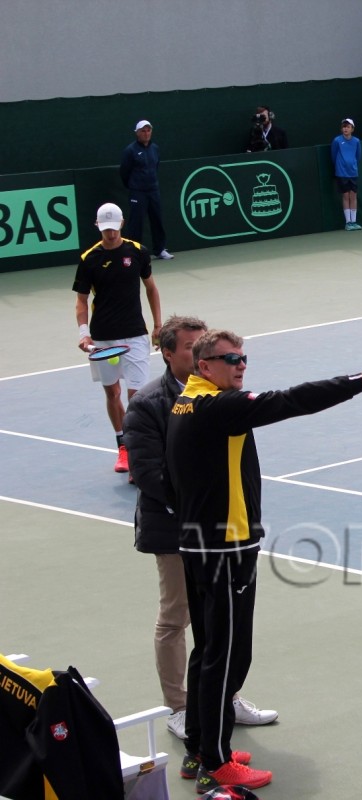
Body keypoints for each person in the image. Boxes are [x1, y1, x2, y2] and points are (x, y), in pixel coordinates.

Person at [164, 329, 362, 792]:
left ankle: (199, 749)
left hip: (198, 545)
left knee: (207, 650)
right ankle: (215, 762)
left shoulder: (184, 404)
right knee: (227, 655)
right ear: (204, 366)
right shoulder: (219, 407)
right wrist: (360, 382)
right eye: (230, 359)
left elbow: (167, 477)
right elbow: (292, 400)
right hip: (226, 549)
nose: (240, 365)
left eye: (243, 358)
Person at [122, 315, 278, 749]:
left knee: (218, 631)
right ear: (168, 353)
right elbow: (148, 473)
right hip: (178, 530)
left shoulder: (219, 394)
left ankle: (221, 701)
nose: (196, 353)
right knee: (178, 618)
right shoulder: (148, 403)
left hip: (216, 531)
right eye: (190, 347)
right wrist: (196, 509)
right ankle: (181, 708)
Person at [73, 202, 163, 474]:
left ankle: (138, 449)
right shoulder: (89, 259)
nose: (110, 234)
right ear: (97, 227)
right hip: (103, 338)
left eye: (114, 228)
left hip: (135, 334)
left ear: (121, 224)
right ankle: (123, 447)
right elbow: (81, 301)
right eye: (105, 229)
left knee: (136, 396)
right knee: (112, 392)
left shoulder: (138, 252)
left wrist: (158, 325)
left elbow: (151, 288)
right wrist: (84, 334)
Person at [119, 120, 173, 260]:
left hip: (153, 191)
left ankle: (160, 249)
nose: (146, 133)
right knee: (136, 223)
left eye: (148, 130)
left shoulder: (155, 148)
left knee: (157, 220)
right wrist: (134, 185)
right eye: (143, 131)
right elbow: (124, 172)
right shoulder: (130, 150)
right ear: (137, 133)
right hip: (137, 192)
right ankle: (134, 252)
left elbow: (156, 166)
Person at [332, 117, 362, 231]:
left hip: (353, 172)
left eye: (348, 127)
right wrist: (340, 166)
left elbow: (358, 156)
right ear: (341, 129)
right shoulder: (337, 141)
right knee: (345, 196)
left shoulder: (356, 141)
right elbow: (333, 156)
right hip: (342, 173)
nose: (346, 129)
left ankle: (354, 221)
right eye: (344, 127)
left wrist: (352, 166)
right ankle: (348, 222)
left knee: (353, 196)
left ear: (352, 129)